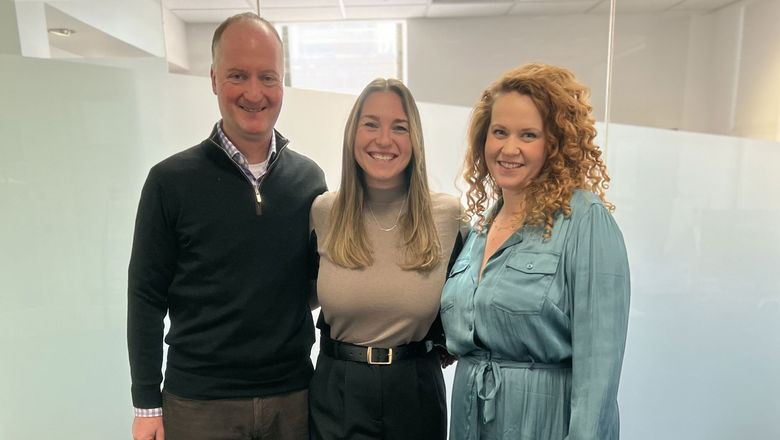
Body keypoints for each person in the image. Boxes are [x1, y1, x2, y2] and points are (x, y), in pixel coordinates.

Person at [127, 13, 326, 440]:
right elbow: (145, 296)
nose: (254, 93)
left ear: (281, 83)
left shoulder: (310, 182)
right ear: (215, 79)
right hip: (199, 404)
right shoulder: (170, 181)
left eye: (267, 77)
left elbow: (317, 283)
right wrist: (146, 405)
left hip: (292, 397)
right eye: (238, 75)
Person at [441, 63, 630, 439]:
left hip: (543, 423)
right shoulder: (480, 229)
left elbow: (598, 375)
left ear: (555, 143)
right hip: (469, 420)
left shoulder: (584, 221)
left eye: (528, 135)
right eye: (499, 132)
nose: (509, 148)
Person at [308, 78, 465, 440]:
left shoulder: (448, 217)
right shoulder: (323, 213)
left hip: (415, 388)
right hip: (338, 388)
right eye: (371, 124)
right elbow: (296, 295)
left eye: (400, 127)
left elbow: (469, 300)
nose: (383, 140)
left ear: (415, 140)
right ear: (353, 133)